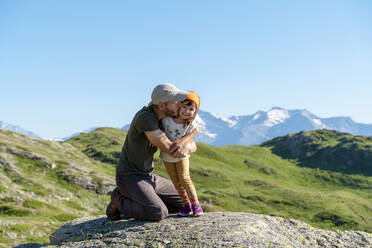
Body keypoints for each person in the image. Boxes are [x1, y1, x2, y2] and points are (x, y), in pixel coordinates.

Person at [106, 83, 198, 221]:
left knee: (184, 204)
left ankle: (144, 196)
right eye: (175, 102)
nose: (179, 104)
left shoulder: (166, 117)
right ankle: (120, 202)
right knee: (158, 212)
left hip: (148, 175)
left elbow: (190, 146)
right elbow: (171, 150)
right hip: (130, 177)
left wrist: (187, 141)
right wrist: (189, 141)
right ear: (162, 106)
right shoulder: (146, 118)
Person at [160, 91, 203, 217]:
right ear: (179, 106)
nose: (187, 111)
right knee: (175, 181)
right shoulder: (167, 120)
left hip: (182, 156)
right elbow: (159, 131)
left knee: (185, 178)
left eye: (191, 109)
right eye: (184, 107)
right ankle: (186, 205)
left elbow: (193, 136)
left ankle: (196, 204)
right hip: (167, 156)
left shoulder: (190, 125)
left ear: (195, 112)